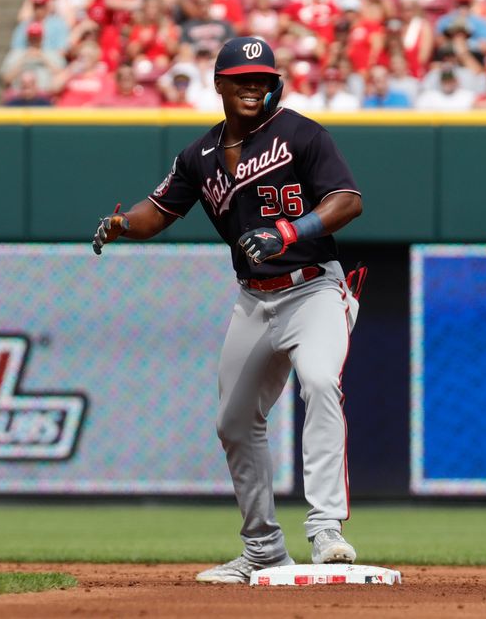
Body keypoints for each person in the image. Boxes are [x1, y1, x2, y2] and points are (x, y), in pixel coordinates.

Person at [92, 36, 365, 583]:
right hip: (255, 300)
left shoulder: (302, 134)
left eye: (262, 78)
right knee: (235, 423)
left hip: (313, 290)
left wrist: (291, 230)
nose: (253, 87)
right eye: (242, 78)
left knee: (318, 380)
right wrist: (123, 225)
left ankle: (327, 528)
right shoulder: (199, 155)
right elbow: (158, 211)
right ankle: (262, 549)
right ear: (219, 84)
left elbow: (347, 201)